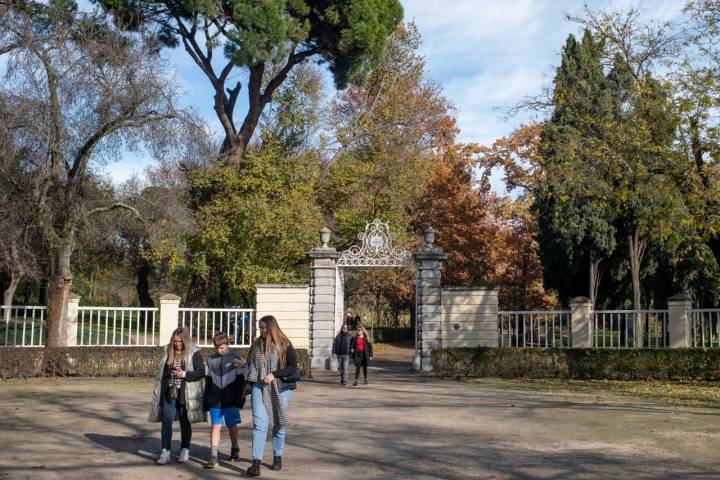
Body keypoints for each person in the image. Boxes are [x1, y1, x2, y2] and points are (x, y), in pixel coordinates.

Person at [245, 315, 299, 477]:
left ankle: (277, 456)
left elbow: (292, 367)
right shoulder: (256, 344)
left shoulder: (285, 344)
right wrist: (245, 368)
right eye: (259, 328)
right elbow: (250, 364)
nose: (261, 331)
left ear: (271, 328)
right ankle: (256, 463)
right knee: (260, 425)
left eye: (263, 328)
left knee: (279, 423)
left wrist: (274, 374)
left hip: (280, 388)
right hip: (259, 386)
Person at [149, 327, 206, 465]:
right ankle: (165, 452)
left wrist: (184, 374)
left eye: (180, 342)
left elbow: (201, 372)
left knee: (185, 422)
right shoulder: (167, 351)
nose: (177, 344)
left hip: (185, 393)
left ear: (185, 341)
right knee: (166, 422)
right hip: (169, 391)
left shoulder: (195, 352)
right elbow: (161, 373)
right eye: (174, 341)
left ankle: (185, 450)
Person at [203, 332, 246, 469]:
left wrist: (240, 399)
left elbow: (241, 381)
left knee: (231, 426)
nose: (219, 350)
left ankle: (235, 447)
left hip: (231, 398)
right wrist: (206, 399)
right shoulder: (211, 360)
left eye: (221, 347)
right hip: (215, 398)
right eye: (216, 348)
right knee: (215, 425)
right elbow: (208, 381)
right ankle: (213, 456)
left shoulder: (236, 358)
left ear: (228, 344)